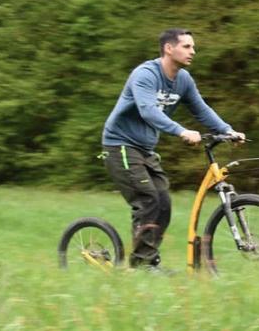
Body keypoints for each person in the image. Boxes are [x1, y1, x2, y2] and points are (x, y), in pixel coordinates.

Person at [101, 28, 245, 271]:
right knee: (148, 200)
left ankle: (147, 261)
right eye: (187, 46)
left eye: (193, 47)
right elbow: (148, 110)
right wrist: (181, 131)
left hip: (145, 148)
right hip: (120, 145)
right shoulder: (145, 75)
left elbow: (201, 109)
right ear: (169, 48)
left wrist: (228, 130)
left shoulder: (183, 79)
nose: (193, 51)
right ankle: (142, 265)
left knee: (164, 203)